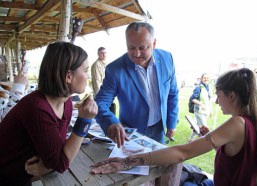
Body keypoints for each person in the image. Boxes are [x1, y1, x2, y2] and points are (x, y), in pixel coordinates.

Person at [92, 68, 257, 186]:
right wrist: (215, 144)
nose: (217, 101)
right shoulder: (255, 122)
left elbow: (182, 153)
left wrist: (126, 162)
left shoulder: (237, 124)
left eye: (219, 96)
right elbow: (241, 159)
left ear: (232, 96)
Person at [0, 41, 98, 186]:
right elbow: (60, 163)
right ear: (68, 76)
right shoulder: (37, 107)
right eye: (85, 70)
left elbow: (59, 152)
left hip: (21, 174)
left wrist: (47, 166)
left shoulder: (67, 103)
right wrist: (84, 121)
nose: (88, 76)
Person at [95, 21, 179, 147]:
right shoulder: (114, 69)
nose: (136, 54)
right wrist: (111, 122)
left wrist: (171, 123)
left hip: (158, 128)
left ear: (154, 44)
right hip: (131, 133)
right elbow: (100, 102)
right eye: (131, 48)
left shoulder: (167, 58)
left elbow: (172, 93)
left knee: (156, 165)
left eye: (142, 48)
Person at [91, 47, 116, 114]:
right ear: (98, 54)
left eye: (105, 53)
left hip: (108, 95)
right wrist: (101, 98)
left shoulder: (106, 64)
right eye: (102, 53)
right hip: (101, 97)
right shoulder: (96, 65)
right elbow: (97, 82)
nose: (104, 54)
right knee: (103, 116)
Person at [189, 73, 213, 141]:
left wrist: (211, 111)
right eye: (204, 78)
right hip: (199, 111)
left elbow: (209, 100)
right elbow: (193, 99)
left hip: (206, 111)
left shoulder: (209, 87)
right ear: (201, 79)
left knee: (197, 125)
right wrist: (201, 104)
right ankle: (206, 141)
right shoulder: (198, 87)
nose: (206, 79)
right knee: (204, 127)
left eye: (207, 78)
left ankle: (191, 139)